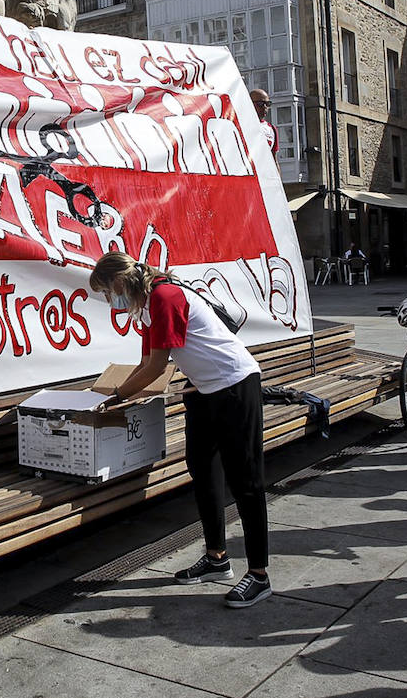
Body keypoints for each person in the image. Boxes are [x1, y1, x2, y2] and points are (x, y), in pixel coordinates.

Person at [88, 252, 271, 608]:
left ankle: (260, 575)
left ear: (120, 281)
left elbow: (157, 366)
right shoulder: (144, 306)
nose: (110, 301)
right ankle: (217, 557)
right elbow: (145, 362)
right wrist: (119, 396)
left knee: (245, 480)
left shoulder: (165, 296)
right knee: (202, 470)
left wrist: (116, 396)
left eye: (108, 292)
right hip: (204, 390)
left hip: (234, 384)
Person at [249, 88, 278, 157]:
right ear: (249, 103)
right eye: (260, 103)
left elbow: (274, 159)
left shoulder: (271, 129)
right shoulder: (240, 125)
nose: (265, 107)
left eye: (267, 104)